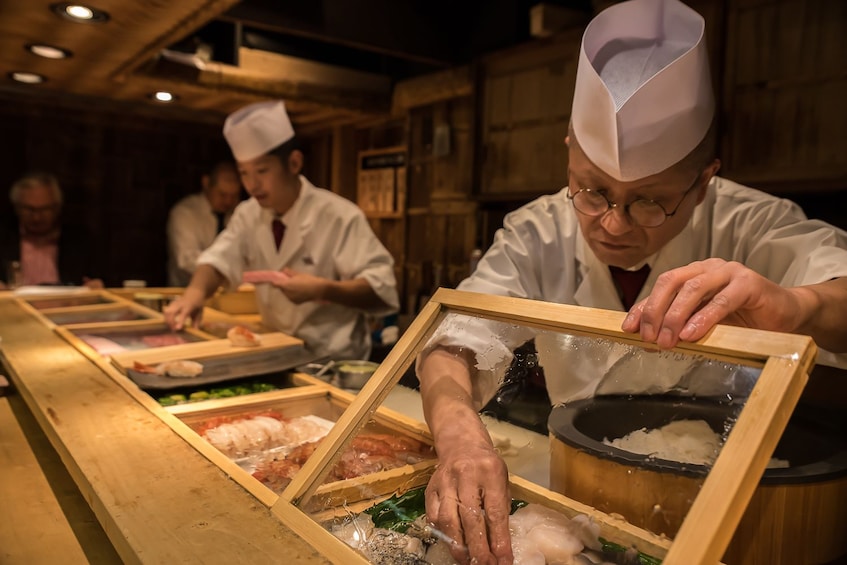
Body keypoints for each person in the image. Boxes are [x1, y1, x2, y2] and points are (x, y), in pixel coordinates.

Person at [416, 0, 847, 563]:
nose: (613, 224)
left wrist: (799, 307)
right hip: (570, 499)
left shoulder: (751, 223)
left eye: (651, 201)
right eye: (591, 191)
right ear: (570, 154)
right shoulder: (536, 231)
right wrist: (460, 438)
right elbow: (454, 340)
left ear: (702, 183)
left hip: (721, 509)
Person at [164, 100, 399, 361]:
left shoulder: (339, 215)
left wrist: (324, 290)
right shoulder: (248, 213)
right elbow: (217, 260)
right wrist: (194, 295)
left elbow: (382, 289)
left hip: (332, 362)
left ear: (294, 163)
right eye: (244, 173)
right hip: (275, 352)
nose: (252, 184)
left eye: (262, 170)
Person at [0, 172, 103, 289]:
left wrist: (96, 285)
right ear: (16, 208)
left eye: (44, 209)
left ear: (57, 207)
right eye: (29, 209)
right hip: (15, 305)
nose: (36, 217)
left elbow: (101, 278)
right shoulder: (4, 236)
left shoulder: (80, 239)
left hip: (67, 305)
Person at [166, 160, 242, 286]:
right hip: (185, 290)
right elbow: (186, 260)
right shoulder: (185, 213)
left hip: (230, 293)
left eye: (234, 196)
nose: (228, 201)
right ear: (206, 183)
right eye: (222, 194)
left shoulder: (238, 214)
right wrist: (223, 271)